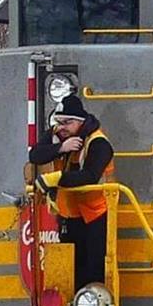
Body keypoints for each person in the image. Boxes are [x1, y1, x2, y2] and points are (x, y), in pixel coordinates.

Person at [29, 94, 116, 292]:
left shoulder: (98, 143)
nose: (61, 127)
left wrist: (55, 179)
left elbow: (90, 176)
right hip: (69, 215)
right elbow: (35, 154)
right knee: (71, 269)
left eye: (66, 122)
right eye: (58, 122)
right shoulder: (59, 136)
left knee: (93, 269)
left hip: (96, 215)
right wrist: (60, 148)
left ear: (80, 122)